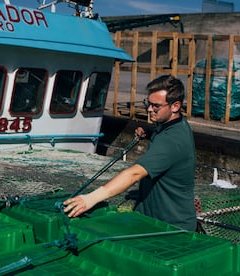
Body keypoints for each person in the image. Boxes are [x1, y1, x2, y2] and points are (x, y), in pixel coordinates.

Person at [64, 75, 197, 231]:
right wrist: (147, 133)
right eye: (148, 103)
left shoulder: (172, 140)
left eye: (156, 106)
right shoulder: (173, 123)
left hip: (170, 226)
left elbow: (134, 173)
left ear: (175, 106)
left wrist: (90, 199)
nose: (149, 109)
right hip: (151, 218)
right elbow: (163, 134)